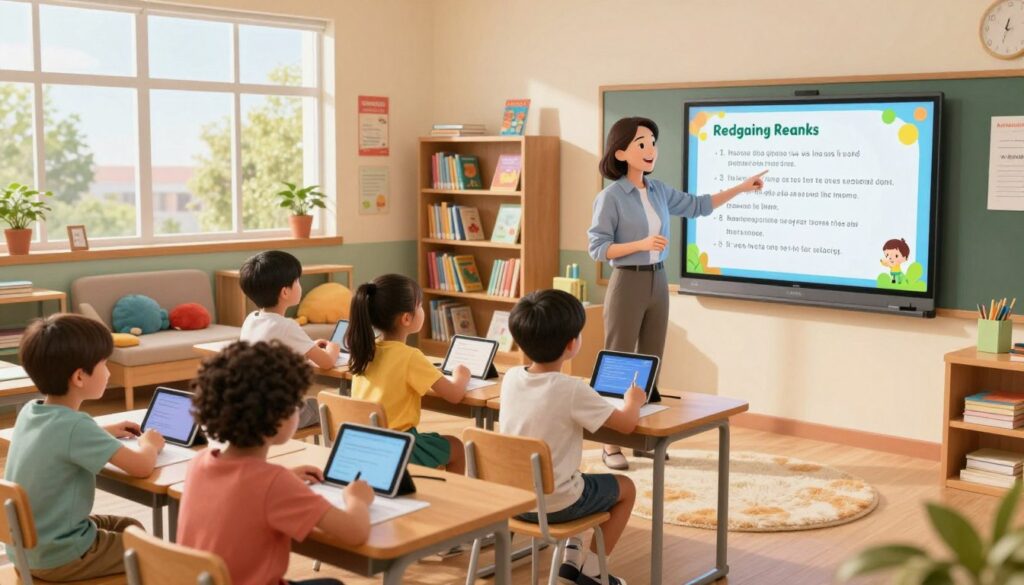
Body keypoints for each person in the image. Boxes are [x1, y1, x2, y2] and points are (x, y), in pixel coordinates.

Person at [588, 116, 766, 470]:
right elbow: (598, 248)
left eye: (653, 142)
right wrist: (639, 243)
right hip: (627, 281)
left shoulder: (658, 191)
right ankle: (610, 444)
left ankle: (645, 437)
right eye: (642, 143)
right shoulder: (610, 197)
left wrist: (742, 188)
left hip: (658, 280)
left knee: (651, 361)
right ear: (621, 151)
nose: (651, 149)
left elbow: (699, 205)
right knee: (620, 362)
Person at [178, 340, 374, 585]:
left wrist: (284, 478)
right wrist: (357, 498)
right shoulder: (273, 484)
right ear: (277, 416)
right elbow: (355, 532)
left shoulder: (199, 462)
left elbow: (243, 489)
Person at [5, 314, 164, 581]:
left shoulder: (31, 412)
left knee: (129, 527)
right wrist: (150, 444)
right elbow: (142, 467)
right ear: (80, 377)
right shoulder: (77, 427)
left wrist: (103, 432)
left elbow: (59, 438)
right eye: (104, 364)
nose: (109, 371)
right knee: (147, 551)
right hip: (62, 555)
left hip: (26, 548)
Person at [501, 289, 644, 585]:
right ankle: (593, 570)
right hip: (554, 505)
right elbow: (627, 424)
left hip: (513, 502)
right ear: (572, 344)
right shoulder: (572, 389)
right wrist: (634, 400)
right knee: (625, 488)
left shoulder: (512, 378)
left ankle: (569, 563)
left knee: (578, 476)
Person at [346, 273, 469, 474]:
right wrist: (461, 375)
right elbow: (454, 395)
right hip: (398, 446)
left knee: (434, 442)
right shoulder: (410, 356)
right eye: (420, 306)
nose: (422, 310)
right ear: (406, 318)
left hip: (365, 444)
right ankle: (452, 500)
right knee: (455, 447)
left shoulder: (364, 351)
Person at [238, 250, 341, 428]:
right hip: (280, 416)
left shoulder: (251, 319)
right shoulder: (286, 326)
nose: (300, 285)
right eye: (297, 281)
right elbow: (326, 362)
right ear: (285, 292)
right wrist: (333, 348)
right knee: (334, 408)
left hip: (251, 410)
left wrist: (308, 348)